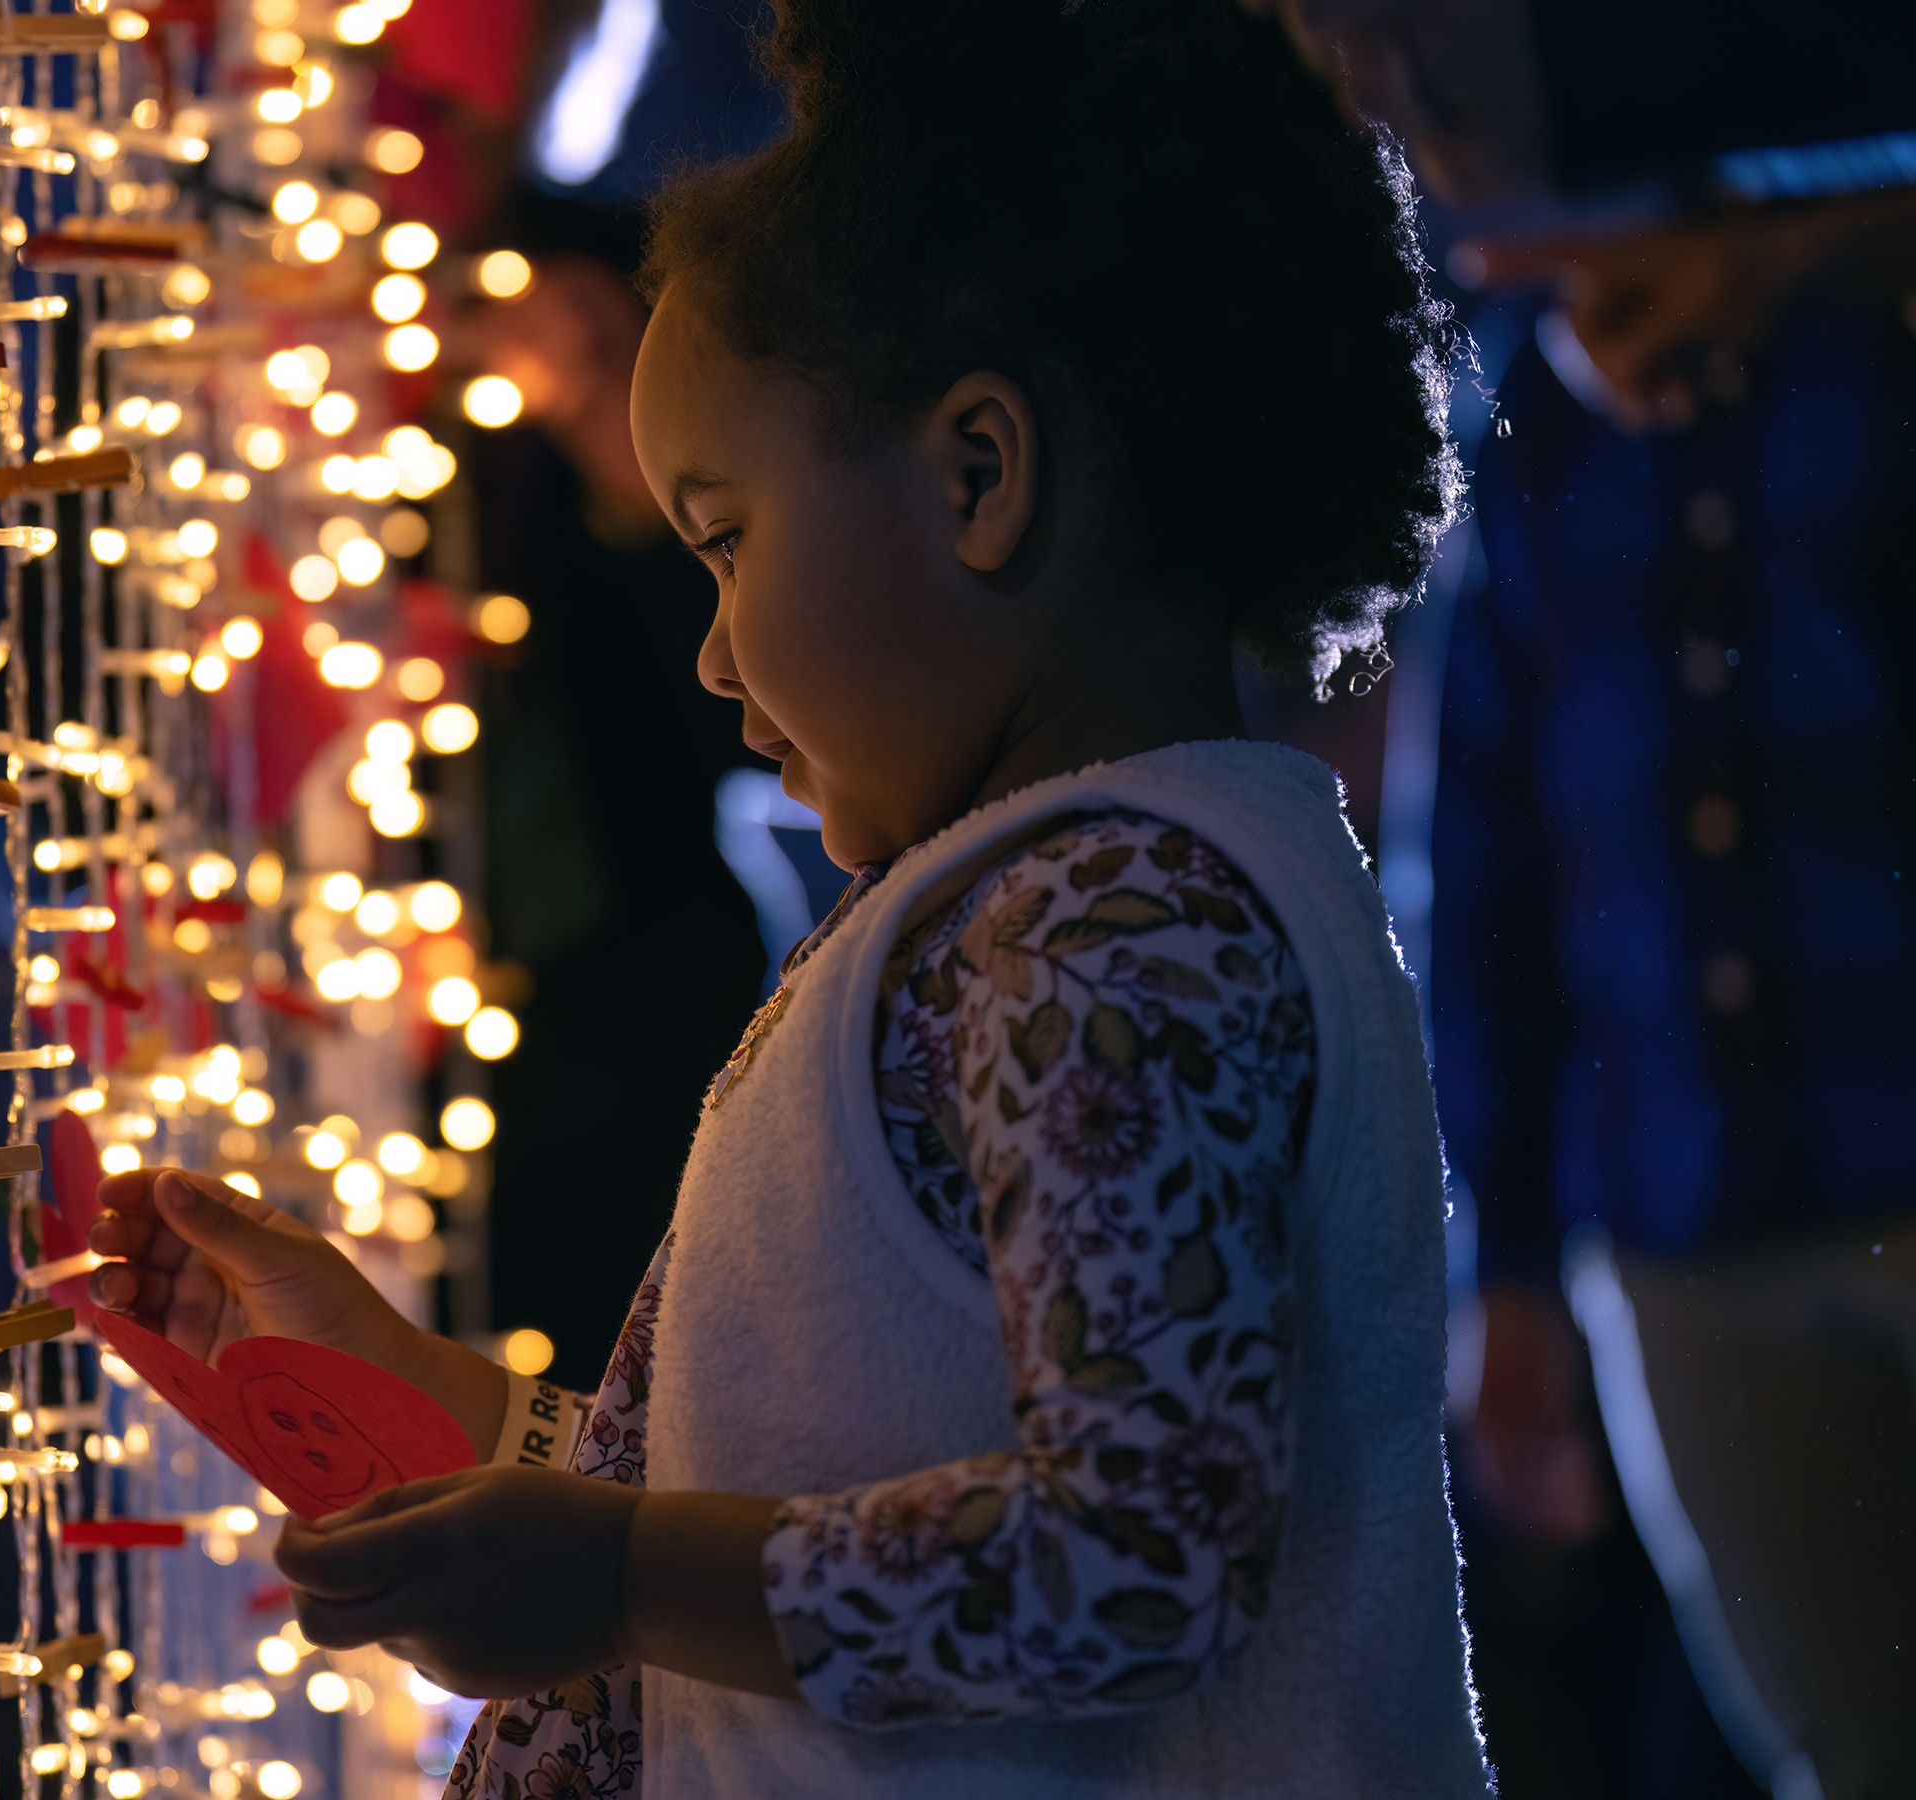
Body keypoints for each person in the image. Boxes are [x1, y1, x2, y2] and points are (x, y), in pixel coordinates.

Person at [90, 0, 1490, 1791]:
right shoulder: (1042, 906)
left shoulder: (1119, 922)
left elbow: (1139, 1560)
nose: (709, 655)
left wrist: (608, 1573)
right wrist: (399, 1397)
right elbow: (786, 1489)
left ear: (980, 477)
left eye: (727, 537)